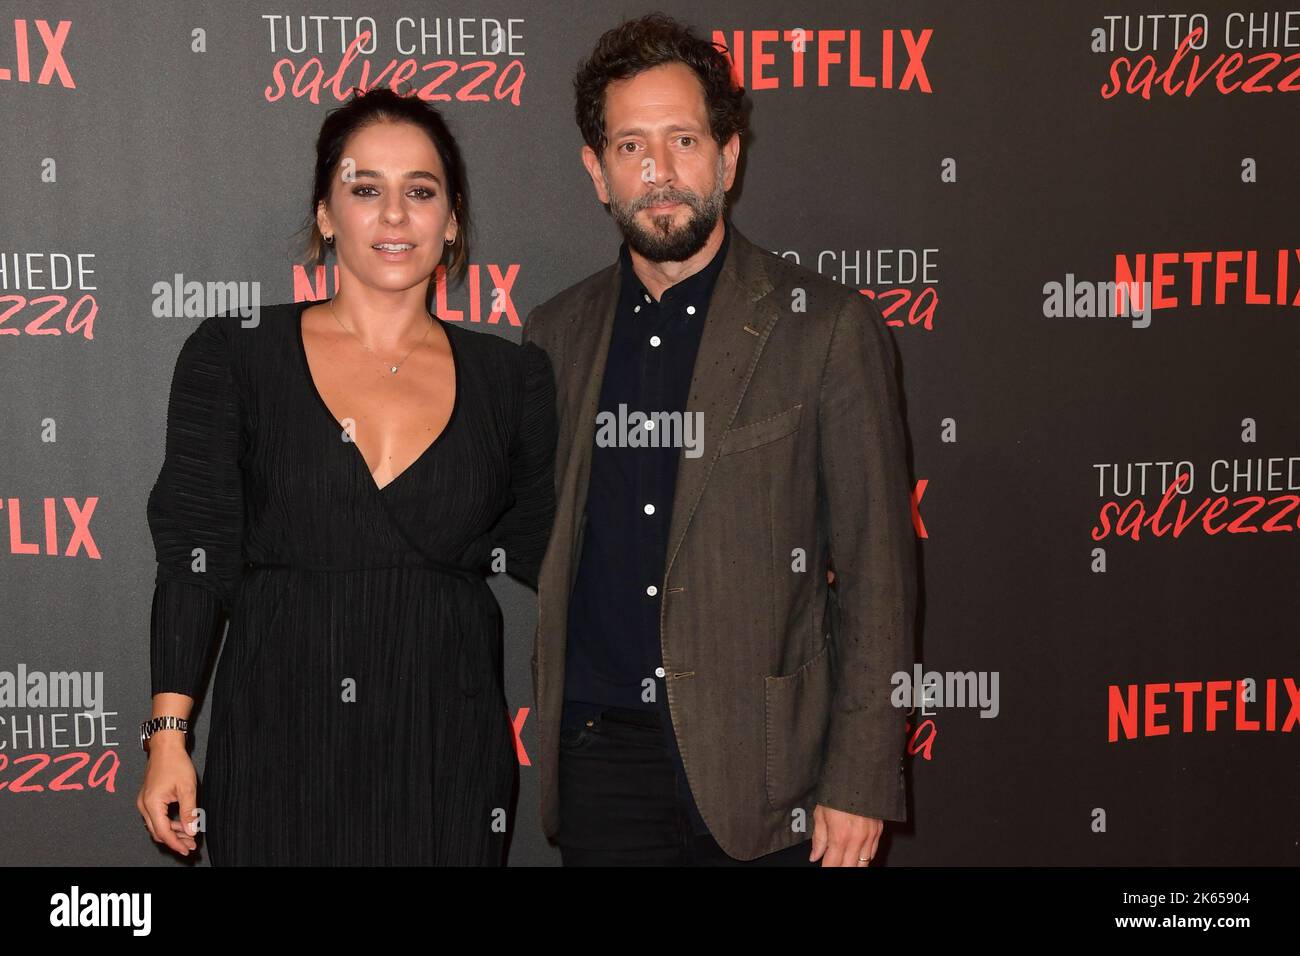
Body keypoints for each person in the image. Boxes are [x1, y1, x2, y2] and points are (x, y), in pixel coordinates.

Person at [524, 14, 917, 866]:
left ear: (728, 157)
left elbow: (879, 571)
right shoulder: (554, 335)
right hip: (600, 765)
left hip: (769, 777)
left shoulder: (824, 329)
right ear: (597, 172)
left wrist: (859, 777)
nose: (659, 173)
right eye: (630, 147)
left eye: (683, 141)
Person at [136, 86, 558, 865]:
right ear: (326, 214)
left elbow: (558, 555)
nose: (395, 216)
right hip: (279, 734)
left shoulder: (514, 380)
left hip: (446, 745)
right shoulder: (236, 356)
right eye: (366, 189)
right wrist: (169, 733)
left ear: (452, 218)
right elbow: (195, 554)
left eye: (420, 192)